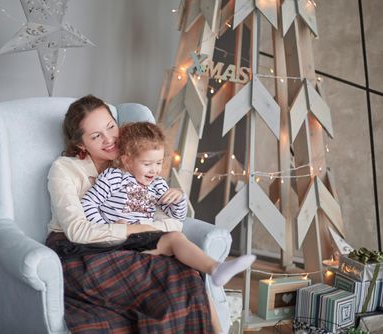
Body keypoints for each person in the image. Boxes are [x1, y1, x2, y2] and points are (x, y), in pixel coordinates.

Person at [46, 95, 218, 333]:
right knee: (166, 278)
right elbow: (78, 230)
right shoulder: (64, 169)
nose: (109, 139)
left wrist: (174, 200)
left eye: (111, 127)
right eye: (96, 136)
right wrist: (140, 230)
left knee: (188, 274)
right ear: (80, 144)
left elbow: (161, 216)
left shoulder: (134, 160)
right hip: (81, 251)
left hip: (130, 245)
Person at [80, 122, 256, 287]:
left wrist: (179, 198)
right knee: (174, 240)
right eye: (147, 164)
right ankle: (215, 268)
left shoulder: (158, 184)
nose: (154, 170)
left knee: (176, 238)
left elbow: (177, 217)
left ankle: (215, 268)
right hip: (115, 242)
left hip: (143, 242)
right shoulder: (113, 177)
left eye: (158, 163)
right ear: (127, 161)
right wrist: (109, 228)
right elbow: (88, 204)